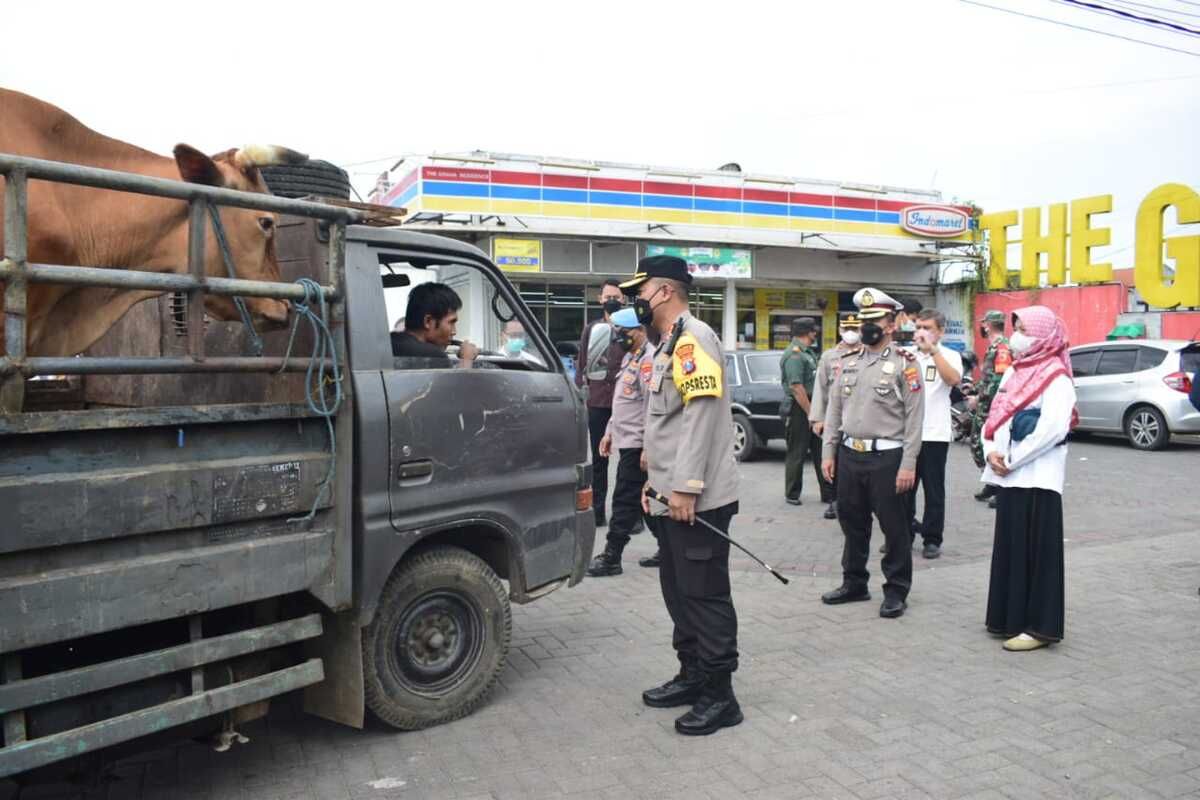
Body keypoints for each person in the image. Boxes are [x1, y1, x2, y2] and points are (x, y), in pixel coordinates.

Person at [624, 255, 743, 736]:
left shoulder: (694, 339)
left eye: (641, 291)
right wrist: (654, 469)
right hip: (669, 493)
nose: (636, 301)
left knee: (705, 596)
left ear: (665, 292)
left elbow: (703, 415)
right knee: (678, 591)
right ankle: (692, 675)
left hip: (696, 496)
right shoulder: (666, 343)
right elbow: (668, 418)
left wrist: (685, 485)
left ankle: (721, 696)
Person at [820, 287, 924, 619]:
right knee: (852, 522)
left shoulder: (905, 364)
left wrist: (909, 464)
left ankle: (896, 590)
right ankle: (854, 583)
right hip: (851, 456)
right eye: (863, 320)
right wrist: (828, 452)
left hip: (888, 459)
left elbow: (915, 419)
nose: (867, 326)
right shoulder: (846, 362)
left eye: (874, 320)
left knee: (894, 527)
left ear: (892, 324)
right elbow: (834, 410)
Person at [982, 306, 1077, 652]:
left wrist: (1011, 459)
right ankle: (1007, 618)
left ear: (1042, 334)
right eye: (1016, 328)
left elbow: (1052, 429)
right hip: (1010, 475)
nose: (1017, 335)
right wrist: (991, 448)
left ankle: (1039, 627)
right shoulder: (1016, 371)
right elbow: (995, 414)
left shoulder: (1056, 377)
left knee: (1038, 551)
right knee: (1011, 547)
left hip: (1038, 476)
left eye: (1024, 329)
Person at [587, 307, 654, 577]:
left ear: (639, 331)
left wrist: (648, 447)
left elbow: (652, 406)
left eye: (622, 332)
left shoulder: (648, 360)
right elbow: (623, 403)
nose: (618, 337)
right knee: (647, 498)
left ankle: (612, 557)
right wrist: (609, 432)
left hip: (638, 444)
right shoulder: (630, 358)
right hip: (626, 440)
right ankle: (667, 549)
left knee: (624, 499)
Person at [906, 309, 963, 560]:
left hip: (935, 434)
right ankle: (903, 533)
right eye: (919, 327)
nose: (922, 332)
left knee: (933, 489)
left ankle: (932, 538)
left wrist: (933, 351)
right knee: (903, 489)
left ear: (940, 331)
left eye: (928, 327)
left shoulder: (950, 355)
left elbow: (952, 380)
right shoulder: (906, 355)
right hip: (907, 433)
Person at [575, 279, 627, 528]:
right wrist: (580, 394)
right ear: (600, 299)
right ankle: (597, 512)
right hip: (597, 402)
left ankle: (630, 516)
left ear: (624, 299)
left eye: (616, 296)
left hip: (625, 404)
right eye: (608, 297)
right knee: (599, 461)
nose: (612, 300)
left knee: (629, 460)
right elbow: (582, 363)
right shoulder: (591, 329)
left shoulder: (631, 328)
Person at [811, 314, 865, 519]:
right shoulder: (829, 356)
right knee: (831, 459)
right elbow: (821, 389)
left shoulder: (867, 353)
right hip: (834, 419)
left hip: (858, 417)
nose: (851, 332)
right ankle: (834, 501)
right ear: (840, 329)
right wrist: (817, 418)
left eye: (855, 328)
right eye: (847, 328)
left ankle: (858, 501)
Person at [971, 310, 1012, 508]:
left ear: (987, 325)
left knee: (990, 447)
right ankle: (992, 483)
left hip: (993, 407)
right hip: (986, 405)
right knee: (981, 446)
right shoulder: (995, 346)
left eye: (983, 323)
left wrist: (980, 397)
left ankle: (1001, 488)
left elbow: (999, 380)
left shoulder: (1002, 347)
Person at [390, 282, 479, 368]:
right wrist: (466, 359)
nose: (454, 332)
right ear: (428, 321)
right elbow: (456, 383)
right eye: (451, 322)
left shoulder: (390, 343)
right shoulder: (432, 356)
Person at [780, 317, 820, 506]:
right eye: (814, 330)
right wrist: (811, 414)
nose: (816, 333)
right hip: (799, 406)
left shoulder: (808, 352)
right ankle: (792, 493)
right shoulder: (795, 354)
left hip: (810, 405)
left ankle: (829, 493)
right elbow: (797, 387)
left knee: (821, 450)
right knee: (797, 451)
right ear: (807, 332)